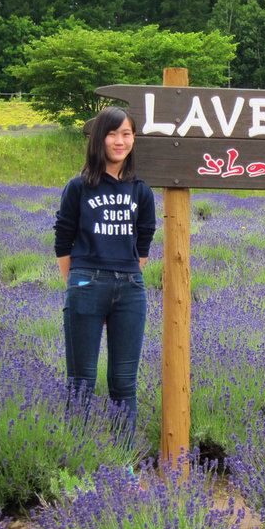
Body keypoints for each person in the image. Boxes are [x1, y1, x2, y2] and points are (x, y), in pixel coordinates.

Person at [54, 106, 156, 447]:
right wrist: (77, 282)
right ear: (99, 139)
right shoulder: (78, 187)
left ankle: (122, 461)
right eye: (112, 134)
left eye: (126, 134)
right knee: (81, 381)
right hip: (86, 283)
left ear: (134, 139)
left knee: (124, 383)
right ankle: (78, 460)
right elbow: (63, 238)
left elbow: (144, 241)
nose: (119, 141)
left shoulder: (141, 191)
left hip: (130, 289)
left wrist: (124, 275)